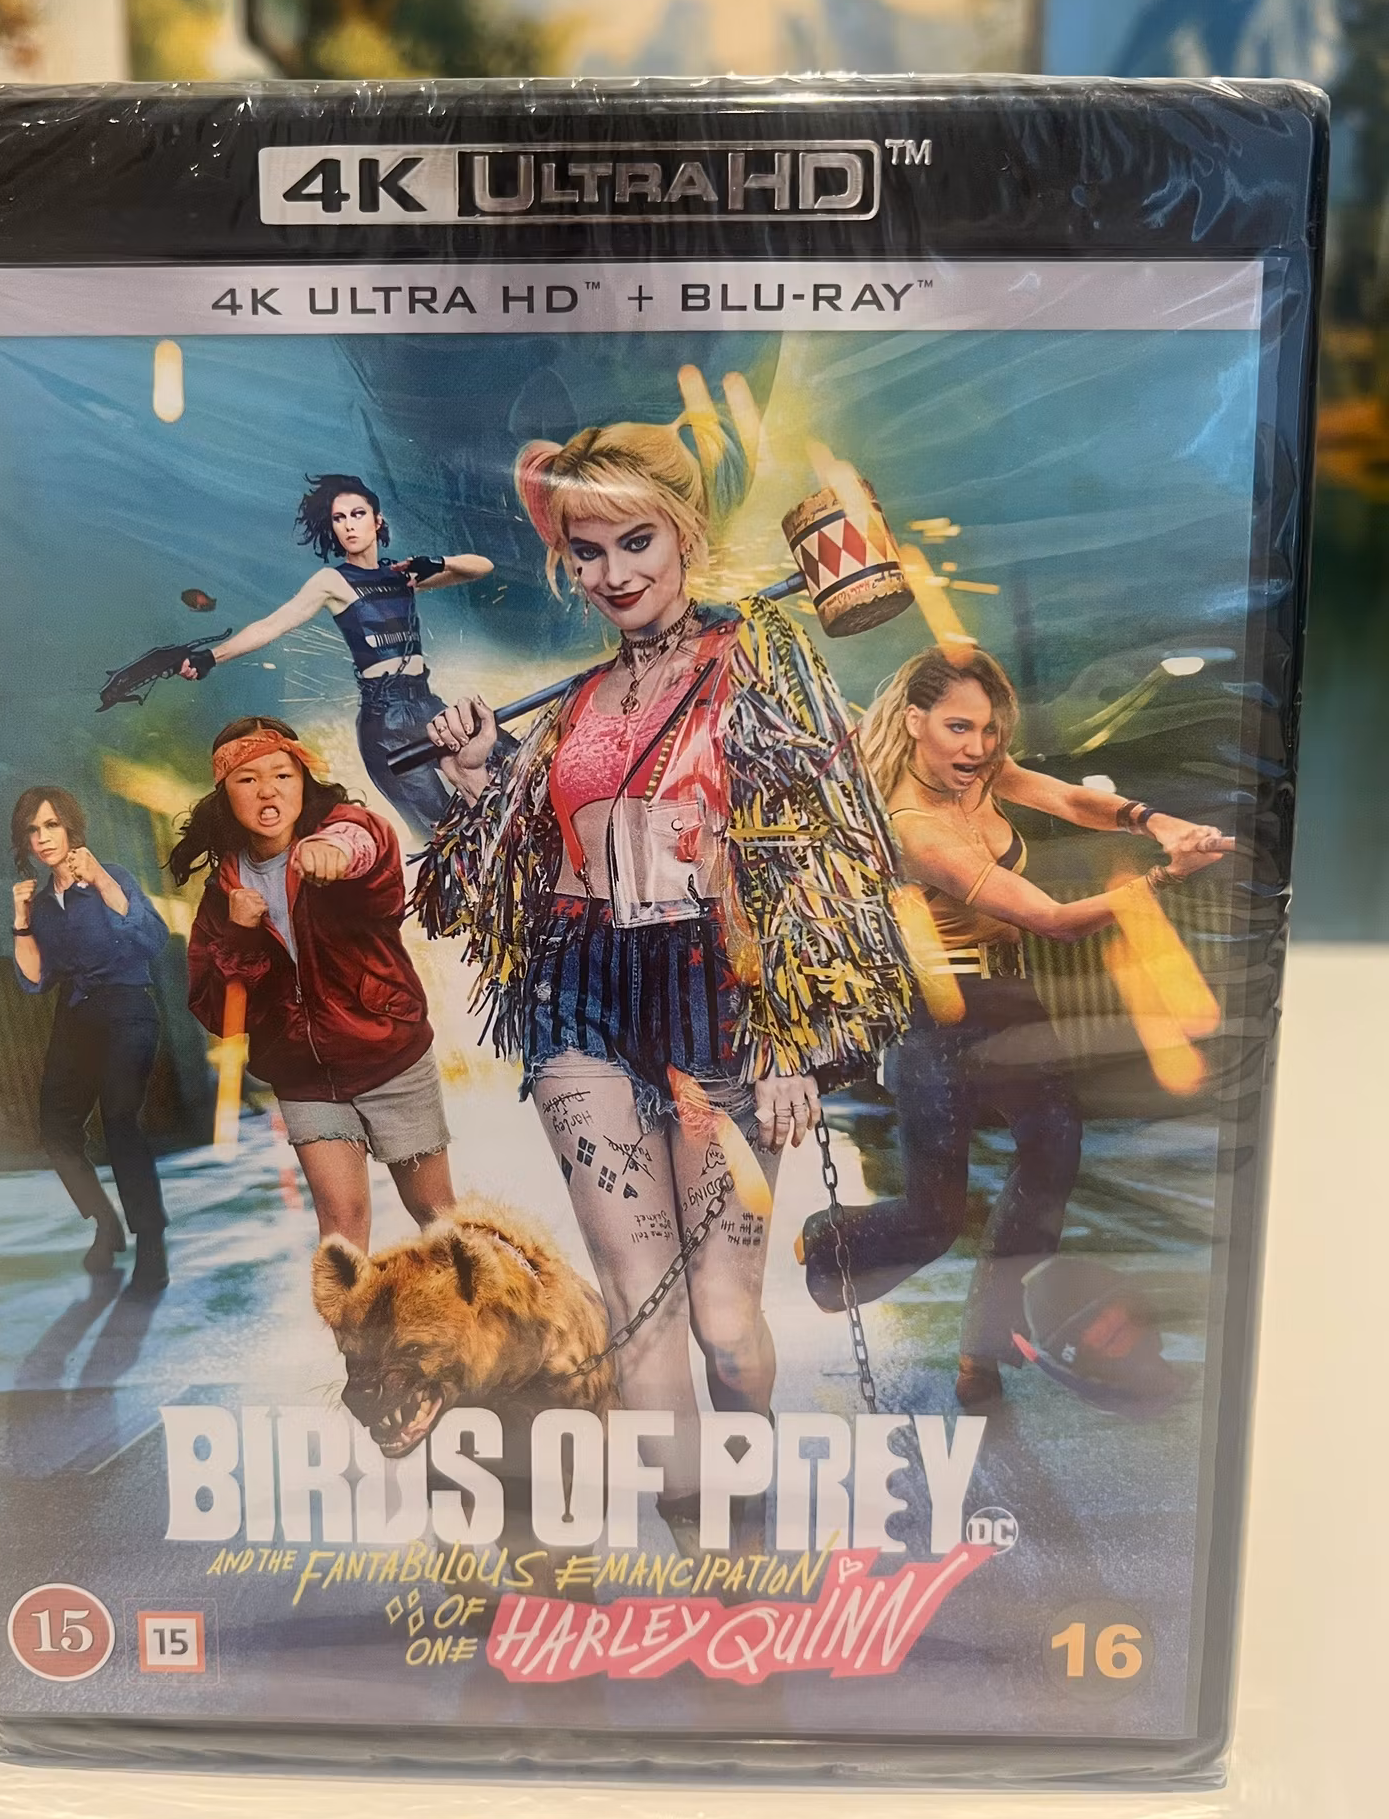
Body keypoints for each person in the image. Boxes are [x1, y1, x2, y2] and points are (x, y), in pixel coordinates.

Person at [416, 422, 911, 1547]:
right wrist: (479, 778)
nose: (613, 573)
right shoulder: (575, 703)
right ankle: (709, 1559)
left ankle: (748, 1510)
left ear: (685, 533)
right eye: (586, 552)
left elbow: (820, 850)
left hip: (722, 997)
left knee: (725, 1320)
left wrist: (790, 1038)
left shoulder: (762, 658)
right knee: (639, 1312)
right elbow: (497, 881)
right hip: (579, 999)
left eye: (635, 541)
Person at [843, 646, 1232, 1408]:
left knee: (1052, 1156)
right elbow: (1052, 920)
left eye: (989, 729)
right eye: (959, 728)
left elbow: (1071, 802)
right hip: (939, 1014)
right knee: (933, 1217)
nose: (978, 747)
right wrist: (1162, 877)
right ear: (915, 721)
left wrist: (1158, 822)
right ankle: (830, 1242)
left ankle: (983, 1352)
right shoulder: (913, 826)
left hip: (1012, 997)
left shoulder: (981, 774)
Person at [174, 717, 454, 1251]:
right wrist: (239, 934)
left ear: (303, 780)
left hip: (387, 1053)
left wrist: (337, 852)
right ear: (225, 793)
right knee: (341, 1233)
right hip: (302, 1076)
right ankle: (350, 1316)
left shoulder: (342, 833)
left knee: (437, 1216)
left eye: (282, 774)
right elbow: (216, 1011)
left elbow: (369, 843)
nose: (268, 790)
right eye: (248, 779)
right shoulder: (223, 892)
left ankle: (498, 1306)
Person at [179, 474, 493, 839]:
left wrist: (437, 562)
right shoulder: (332, 581)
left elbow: (481, 568)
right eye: (339, 518)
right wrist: (211, 657)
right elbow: (272, 625)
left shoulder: (401, 575)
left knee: (510, 770)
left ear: (377, 521)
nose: (348, 525)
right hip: (385, 722)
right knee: (445, 832)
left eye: (357, 514)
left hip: (427, 706)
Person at [10, 786, 173, 1296]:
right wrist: (21, 921)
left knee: (119, 1119)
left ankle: (151, 1243)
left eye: (51, 825)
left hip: (126, 1008)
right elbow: (35, 982)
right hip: (75, 1015)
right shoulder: (40, 904)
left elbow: (152, 939)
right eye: (33, 829)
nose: (42, 837)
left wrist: (100, 879)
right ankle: (104, 1222)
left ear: (71, 827)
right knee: (56, 1130)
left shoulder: (112, 875)